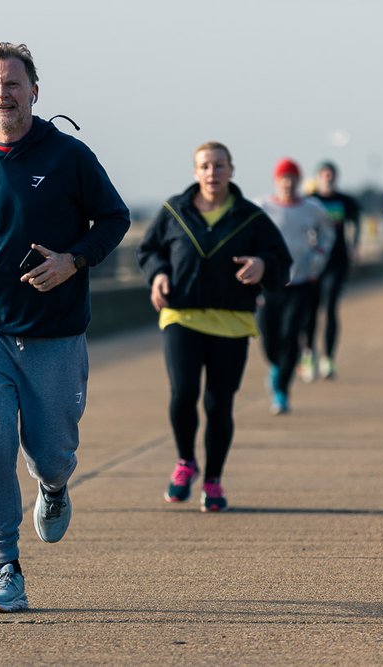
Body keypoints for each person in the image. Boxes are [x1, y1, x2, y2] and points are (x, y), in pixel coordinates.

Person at [0, 41, 130, 612]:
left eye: (12, 85)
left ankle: (53, 485)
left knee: (51, 452)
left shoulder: (69, 155)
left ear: (34, 91)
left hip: (56, 335)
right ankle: (6, 570)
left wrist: (72, 260)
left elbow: (114, 218)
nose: (3, 95)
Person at [137, 142, 291, 512]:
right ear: (195, 172)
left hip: (232, 322)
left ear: (231, 170)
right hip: (181, 316)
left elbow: (281, 262)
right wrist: (157, 275)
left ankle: (214, 480)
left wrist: (262, 265)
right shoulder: (175, 211)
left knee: (219, 405)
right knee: (184, 391)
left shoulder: (250, 217)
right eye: (205, 166)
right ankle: (185, 462)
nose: (212, 173)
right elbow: (149, 250)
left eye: (219, 166)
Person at [258, 158, 331, 414]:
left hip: (300, 282)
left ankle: (282, 392)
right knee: (268, 338)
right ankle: (276, 367)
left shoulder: (312, 208)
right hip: (269, 284)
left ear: (299, 181)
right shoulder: (263, 207)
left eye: (292, 178)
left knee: (290, 335)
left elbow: (327, 232)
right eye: (283, 178)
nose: (287, 183)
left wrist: (319, 255)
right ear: (276, 181)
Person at [300, 161, 361, 381]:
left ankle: (329, 358)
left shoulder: (345, 202)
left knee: (331, 309)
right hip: (313, 262)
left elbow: (355, 224)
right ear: (317, 177)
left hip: (337, 261)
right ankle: (309, 355)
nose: (328, 178)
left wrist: (354, 245)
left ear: (336, 177)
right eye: (324, 174)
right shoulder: (309, 201)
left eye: (331, 174)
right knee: (310, 311)